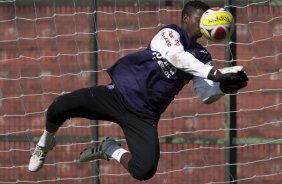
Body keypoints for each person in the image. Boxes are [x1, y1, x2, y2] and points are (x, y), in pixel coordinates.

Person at [28, 0, 248, 181]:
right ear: (185, 19)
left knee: (144, 170)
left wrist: (225, 87)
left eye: (206, 19)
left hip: (144, 116)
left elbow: (206, 95)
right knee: (60, 107)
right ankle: (45, 142)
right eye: (200, 18)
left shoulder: (203, 57)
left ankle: (109, 149)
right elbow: (176, 57)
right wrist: (213, 74)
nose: (203, 23)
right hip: (117, 95)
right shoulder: (169, 33)